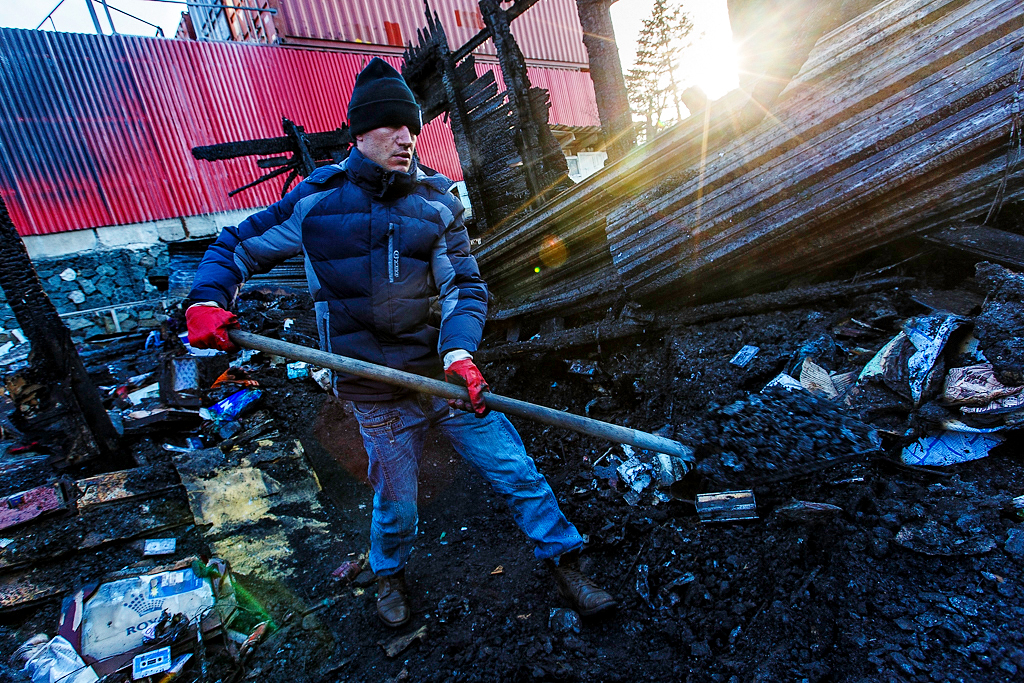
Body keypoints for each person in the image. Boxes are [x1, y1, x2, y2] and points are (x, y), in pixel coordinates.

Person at [185, 58, 615, 627]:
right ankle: (388, 571)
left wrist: (460, 353)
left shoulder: (435, 202)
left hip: (442, 377)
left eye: (411, 125)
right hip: (373, 388)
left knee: (515, 469)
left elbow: (464, 284)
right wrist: (209, 300)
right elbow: (235, 248)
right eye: (389, 125)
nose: (406, 137)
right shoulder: (319, 201)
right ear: (358, 134)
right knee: (398, 500)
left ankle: (565, 560)